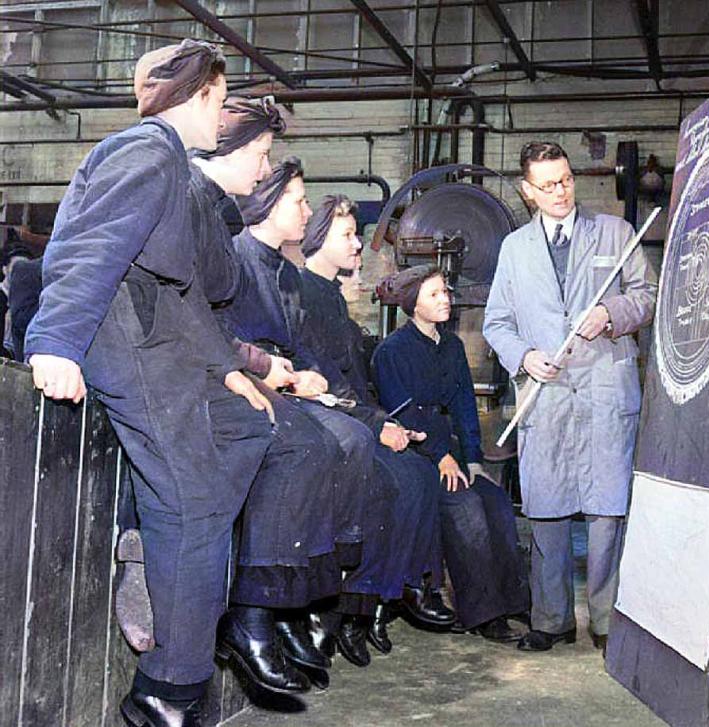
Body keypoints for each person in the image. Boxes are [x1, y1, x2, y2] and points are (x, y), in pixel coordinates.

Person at [23, 41, 306, 727]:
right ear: (202, 91)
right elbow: (86, 248)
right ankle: (167, 688)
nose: (224, 110)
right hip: (130, 346)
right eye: (221, 93)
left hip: (165, 344)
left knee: (249, 435)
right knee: (189, 502)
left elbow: (188, 293)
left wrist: (230, 369)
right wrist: (54, 341)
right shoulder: (146, 150)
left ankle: (154, 552)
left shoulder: (172, 166)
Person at [225, 167, 453, 665]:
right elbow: (308, 365)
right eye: (348, 234)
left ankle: (366, 599)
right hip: (277, 397)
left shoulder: (302, 284)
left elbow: (332, 370)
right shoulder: (278, 276)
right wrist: (372, 422)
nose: (357, 245)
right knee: (368, 464)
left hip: (308, 398)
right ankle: (329, 605)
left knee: (408, 472)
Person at [483, 141, 657, 655]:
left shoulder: (616, 233)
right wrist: (524, 356)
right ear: (526, 190)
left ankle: (607, 621)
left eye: (565, 180)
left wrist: (612, 313)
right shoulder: (514, 249)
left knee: (607, 515)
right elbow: (497, 321)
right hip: (547, 395)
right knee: (548, 513)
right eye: (547, 184)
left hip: (604, 391)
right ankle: (552, 620)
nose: (560, 192)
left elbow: (647, 296)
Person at [371, 265, 529, 641]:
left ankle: (514, 602)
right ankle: (484, 616)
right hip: (415, 454)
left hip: (453, 453)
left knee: (496, 502)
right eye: (434, 295)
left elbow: (463, 407)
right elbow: (402, 412)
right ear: (413, 304)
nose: (445, 300)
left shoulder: (453, 345)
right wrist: (440, 454)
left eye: (446, 292)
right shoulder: (391, 352)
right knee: (466, 508)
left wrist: (472, 459)